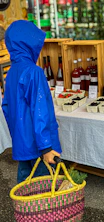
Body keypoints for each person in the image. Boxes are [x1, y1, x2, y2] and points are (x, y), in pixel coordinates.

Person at [2, 20, 62, 183]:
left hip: (22, 144)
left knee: (25, 188)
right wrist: (46, 147)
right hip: (39, 146)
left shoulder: (12, 72)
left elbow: (6, 107)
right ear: (29, 43)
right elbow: (40, 112)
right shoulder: (33, 72)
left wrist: (18, 136)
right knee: (44, 190)